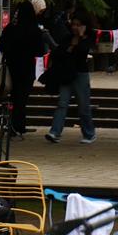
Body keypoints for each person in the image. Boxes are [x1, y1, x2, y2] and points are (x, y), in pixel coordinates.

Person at [43, 12, 96, 144]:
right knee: (62, 103)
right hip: (66, 74)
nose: (75, 27)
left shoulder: (89, 37)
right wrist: (71, 45)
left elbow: (83, 52)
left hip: (80, 74)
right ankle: (55, 132)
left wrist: (81, 38)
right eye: (74, 24)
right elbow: (59, 53)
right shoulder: (67, 38)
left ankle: (89, 133)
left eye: (79, 25)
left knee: (83, 105)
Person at [0, 0, 46, 137]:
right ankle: (18, 124)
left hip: (12, 67)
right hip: (27, 68)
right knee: (22, 97)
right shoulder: (34, 30)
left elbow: (0, 44)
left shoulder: (11, 29)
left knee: (13, 96)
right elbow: (40, 51)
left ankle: (13, 124)